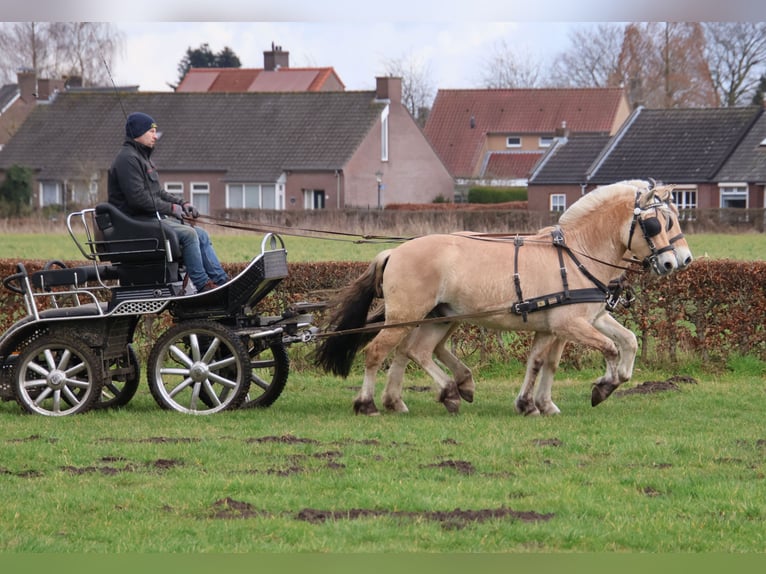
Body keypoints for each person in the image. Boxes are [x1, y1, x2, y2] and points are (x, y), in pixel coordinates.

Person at [108, 112, 228, 293]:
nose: (155, 136)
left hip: (147, 220)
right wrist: (172, 208)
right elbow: (138, 199)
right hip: (136, 224)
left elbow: (158, 193)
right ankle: (203, 285)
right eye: (151, 132)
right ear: (137, 133)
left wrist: (182, 203)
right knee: (189, 234)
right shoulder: (127, 159)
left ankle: (221, 281)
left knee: (201, 234)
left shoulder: (142, 158)